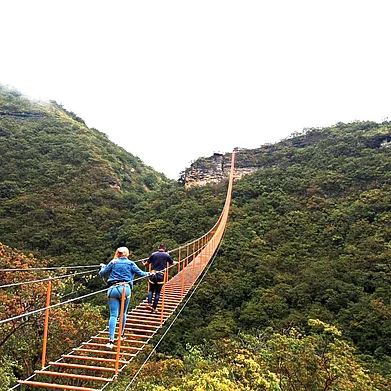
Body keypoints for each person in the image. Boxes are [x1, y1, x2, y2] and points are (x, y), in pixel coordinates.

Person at [99, 246, 152, 349]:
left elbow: (102, 273)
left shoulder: (113, 262)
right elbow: (142, 274)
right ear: (127, 254)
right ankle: (121, 335)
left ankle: (110, 341)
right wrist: (151, 273)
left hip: (112, 289)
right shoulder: (131, 263)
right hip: (124, 288)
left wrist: (102, 267)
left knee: (113, 315)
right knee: (123, 313)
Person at [143, 242, 177, 313]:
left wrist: (143, 263)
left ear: (158, 248)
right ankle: (154, 308)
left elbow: (146, 264)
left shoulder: (153, 254)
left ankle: (149, 303)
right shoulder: (166, 255)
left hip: (153, 274)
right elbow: (172, 263)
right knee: (157, 293)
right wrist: (177, 262)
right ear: (164, 248)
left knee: (151, 290)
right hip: (161, 275)